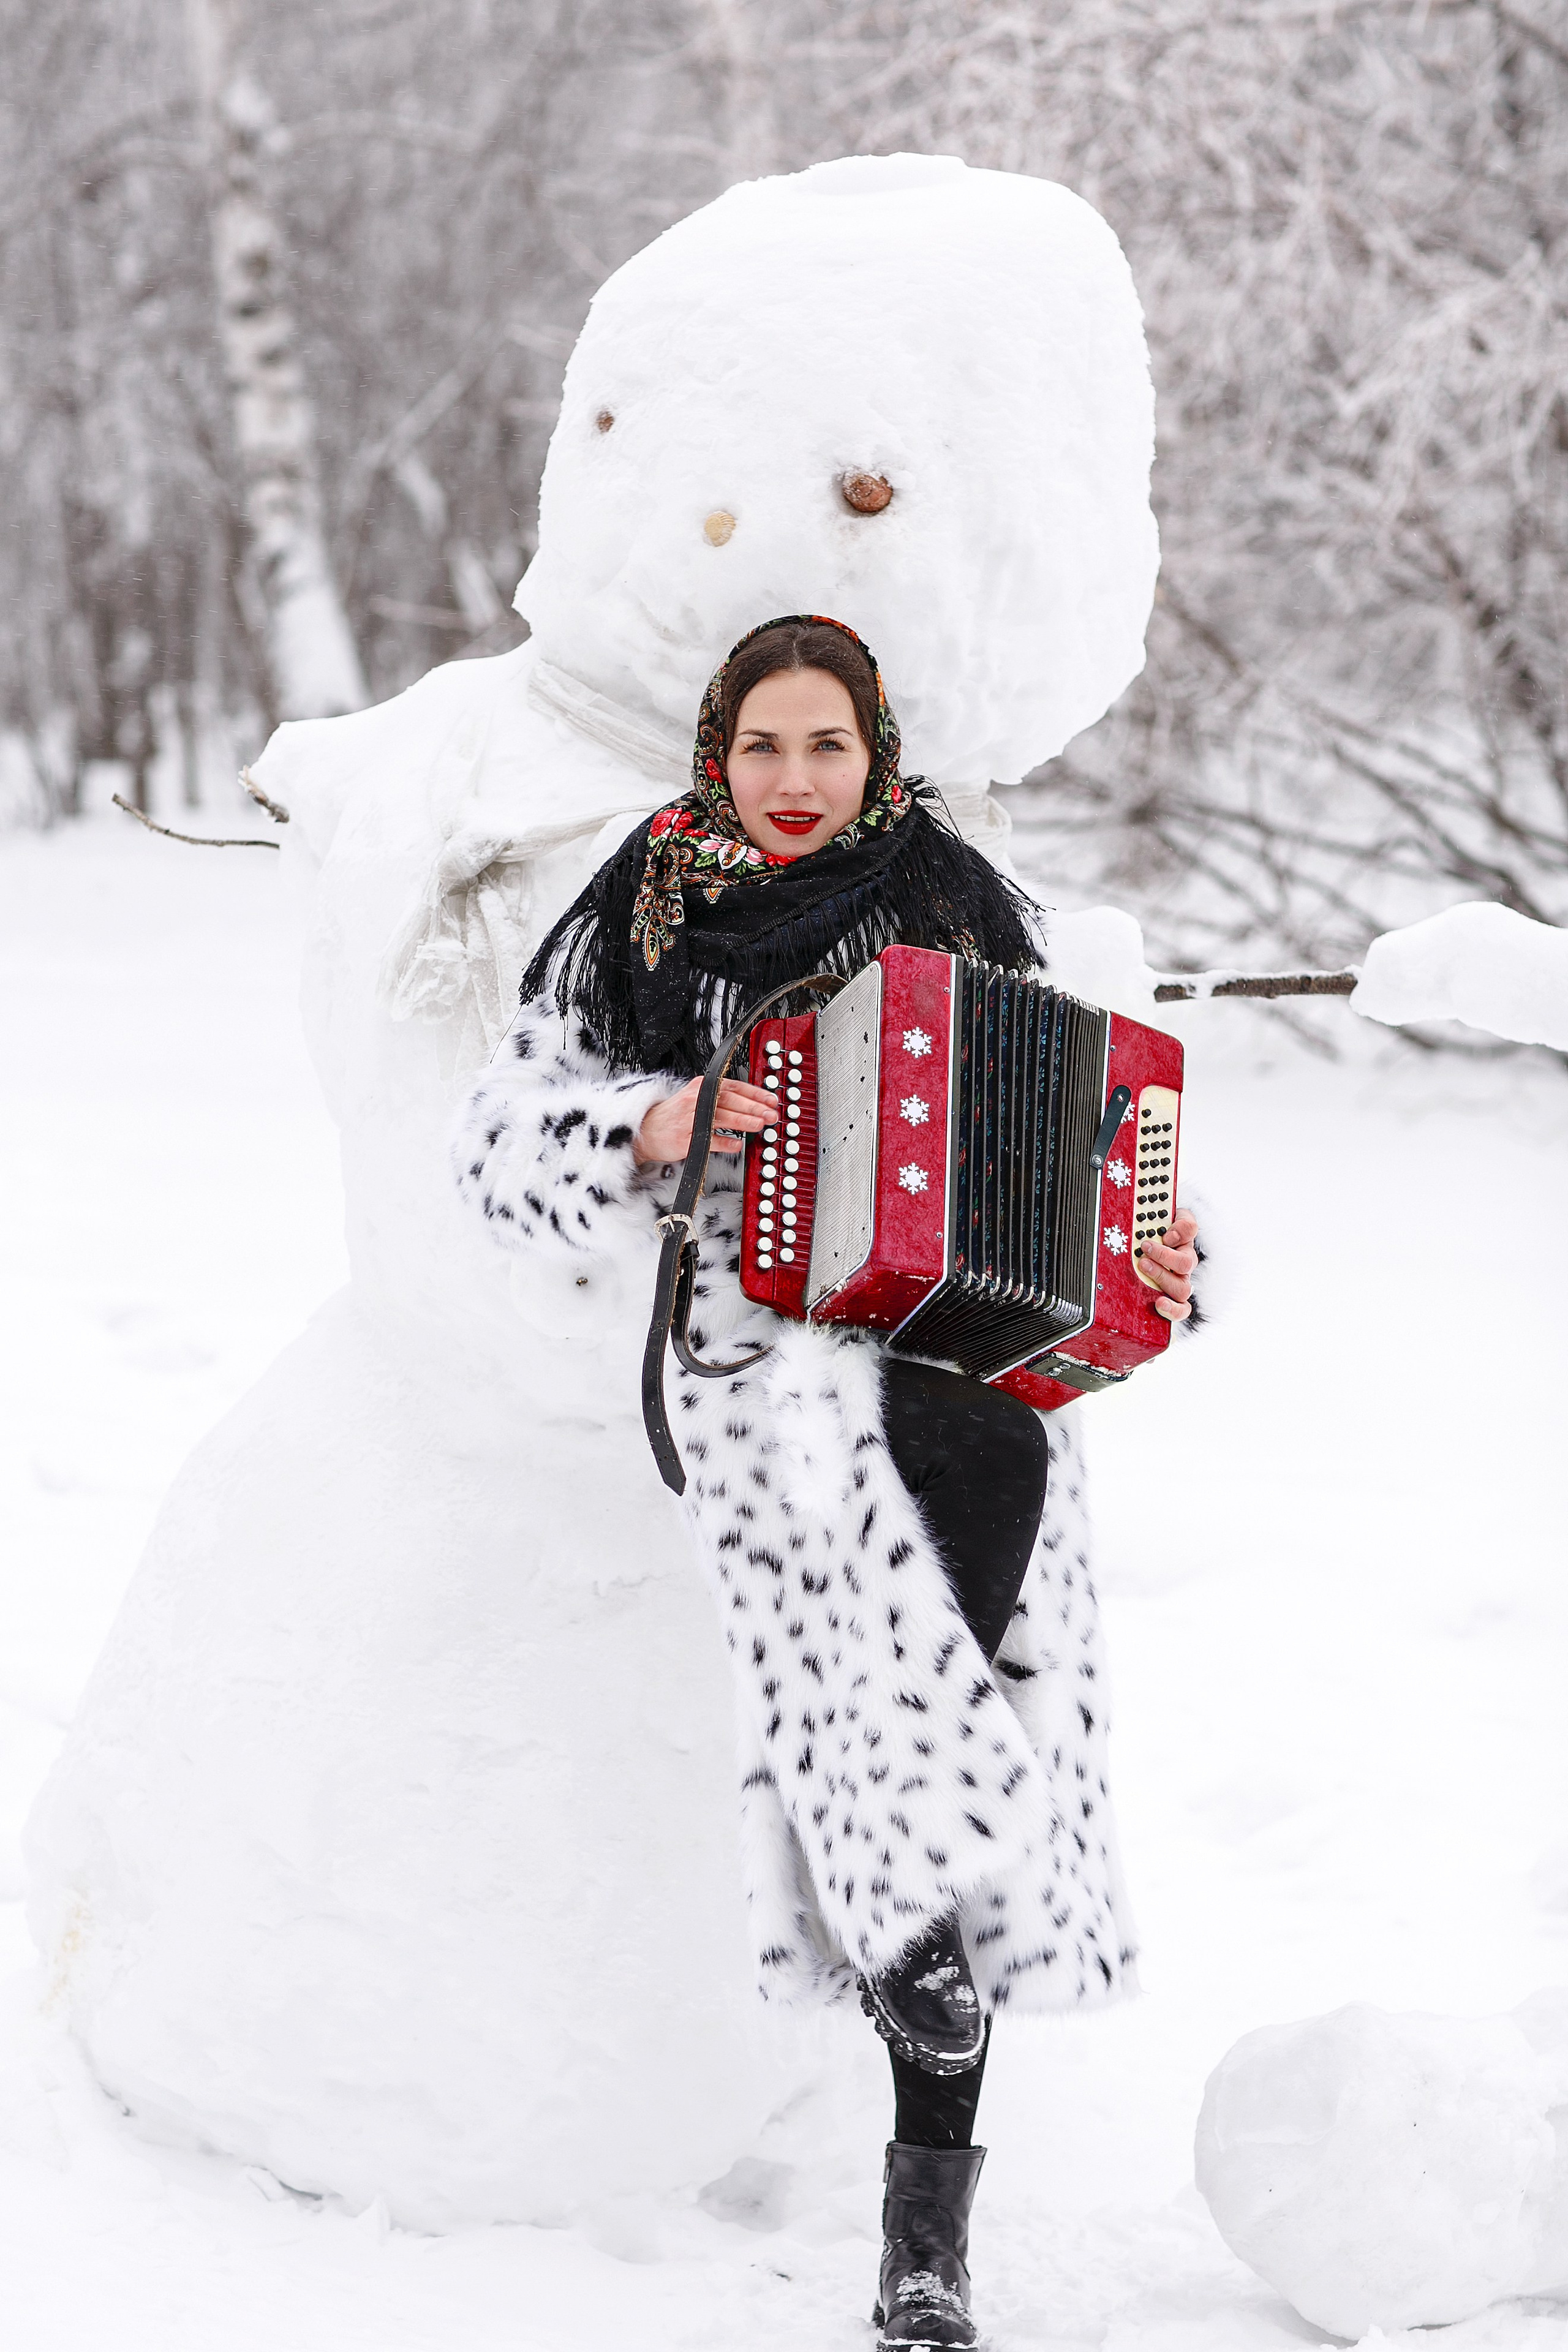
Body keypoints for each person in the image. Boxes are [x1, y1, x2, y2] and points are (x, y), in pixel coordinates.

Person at [453, 616, 1199, 2350]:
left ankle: (925, 2191)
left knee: (958, 1623)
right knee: (881, 1627)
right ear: (719, 750)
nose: (796, 785)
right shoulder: (640, 906)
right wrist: (651, 1128)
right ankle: (921, 2055)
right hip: (752, 1349)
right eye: (766, 748)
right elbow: (498, 1133)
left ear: (878, 755)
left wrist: (1158, 1251)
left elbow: (1081, 1136)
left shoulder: (954, 897)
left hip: (967, 1354)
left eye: (830, 751)